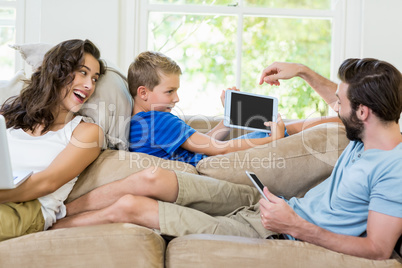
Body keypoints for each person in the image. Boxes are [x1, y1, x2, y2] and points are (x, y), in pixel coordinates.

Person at [52, 57, 401, 260]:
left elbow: (378, 249)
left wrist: (294, 226)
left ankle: (46, 223)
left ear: (364, 112)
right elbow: (332, 112)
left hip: (281, 234)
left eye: (341, 103)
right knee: (140, 191)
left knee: (132, 205)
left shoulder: (393, 167)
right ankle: (53, 215)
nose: (335, 107)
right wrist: (304, 72)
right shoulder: (364, 136)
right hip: (274, 212)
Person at [127, 51, 339, 166]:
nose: (177, 98)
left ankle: (341, 121)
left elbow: (205, 143)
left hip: (213, 159)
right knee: (286, 128)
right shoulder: (160, 120)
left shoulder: (141, 123)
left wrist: (228, 118)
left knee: (283, 125)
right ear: (143, 92)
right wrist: (272, 140)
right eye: (170, 91)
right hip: (219, 163)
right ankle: (342, 121)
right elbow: (220, 148)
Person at [0, 39, 105, 241]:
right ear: (58, 71)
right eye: (83, 72)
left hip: (30, 209)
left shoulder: (87, 133)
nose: (89, 85)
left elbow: (47, 182)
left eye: (95, 79)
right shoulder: (10, 116)